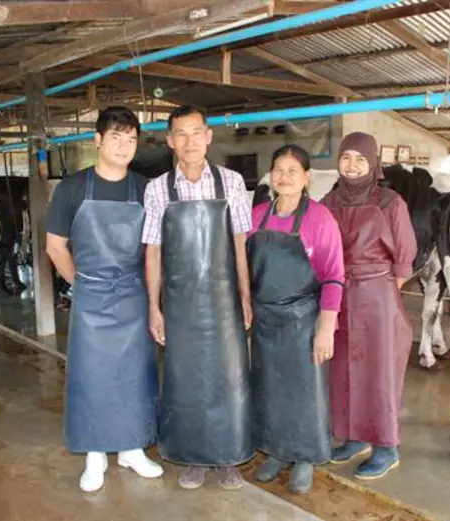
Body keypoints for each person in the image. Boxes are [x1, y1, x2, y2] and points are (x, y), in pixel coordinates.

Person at [45, 106, 162, 492]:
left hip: (132, 292)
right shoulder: (73, 187)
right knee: (92, 375)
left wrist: (154, 299)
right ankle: (95, 455)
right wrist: (82, 281)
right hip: (92, 293)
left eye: (131, 139)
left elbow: (154, 249)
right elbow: (56, 247)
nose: (125, 146)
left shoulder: (145, 188)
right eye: (116, 137)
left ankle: (131, 448)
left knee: (134, 375)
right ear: (97, 140)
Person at [143, 105, 253, 491]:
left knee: (229, 378)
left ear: (208, 136)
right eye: (181, 134)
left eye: (196, 132)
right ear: (170, 141)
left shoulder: (232, 183)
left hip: (223, 299)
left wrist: (244, 295)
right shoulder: (158, 188)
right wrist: (154, 306)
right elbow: (153, 250)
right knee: (184, 379)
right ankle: (193, 458)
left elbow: (240, 242)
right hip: (180, 301)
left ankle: (228, 457)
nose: (189, 142)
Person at [248, 145, 345, 494]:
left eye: (292, 170)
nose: (284, 176)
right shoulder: (257, 215)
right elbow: (242, 268)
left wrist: (326, 330)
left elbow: (334, 276)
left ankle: (304, 457)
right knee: (270, 391)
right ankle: (276, 452)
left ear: (306, 178)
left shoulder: (320, 219)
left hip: (303, 320)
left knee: (305, 393)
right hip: (263, 320)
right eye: (278, 169)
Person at [321, 131, 417, 480]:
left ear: (373, 162)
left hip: (378, 295)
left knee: (380, 372)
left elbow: (405, 259)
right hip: (337, 295)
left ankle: (387, 446)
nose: (352, 165)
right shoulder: (329, 201)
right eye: (346, 157)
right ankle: (354, 436)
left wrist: (380, 291)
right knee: (344, 370)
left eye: (360, 159)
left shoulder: (391, 202)